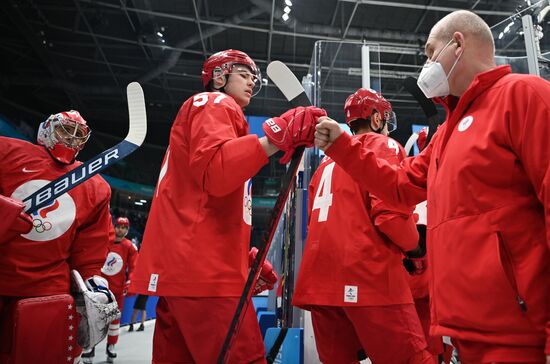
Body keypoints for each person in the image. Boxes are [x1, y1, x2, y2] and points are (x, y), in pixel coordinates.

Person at [314, 10, 549, 364]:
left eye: (429, 52)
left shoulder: (526, 95)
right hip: (464, 327)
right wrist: (342, 146)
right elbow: (398, 186)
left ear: (458, 44)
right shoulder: (445, 135)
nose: (426, 64)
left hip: (519, 331)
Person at [129, 49, 326, 363]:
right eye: (244, 75)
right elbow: (217, 173)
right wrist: (279, 136)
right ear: (219, 76)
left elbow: (206, 194)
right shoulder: (214, 102)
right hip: (205, 275)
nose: (251, 82)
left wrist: (238, 259)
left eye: (254, 79)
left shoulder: (210, 114)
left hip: (188, 271)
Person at [292, 88, 431, 364]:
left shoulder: (325, 163)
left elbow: (312, 220)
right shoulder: (385, 146)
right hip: (368, 276)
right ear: (377, 119)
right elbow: (390, 214)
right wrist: (416, 248)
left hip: (320, 283)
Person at [0, 110, 116, 363]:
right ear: (47, 129)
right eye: (65, 130)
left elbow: (90, 245)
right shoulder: (6, 150)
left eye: (79, 135)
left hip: (45, 288)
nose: (71, 138)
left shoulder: (96, 186)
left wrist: (92, 279)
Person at [81, 216, 138, 363]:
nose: (121, 229)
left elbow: (134, 267)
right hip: (99, 289)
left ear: (128, 230)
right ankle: (89, 348)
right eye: (119, 226)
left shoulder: (130, 247)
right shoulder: (104, 241)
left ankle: (111, 346)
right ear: (114, 226)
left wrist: (131, 281)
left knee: (114, 321)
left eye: (125, 227)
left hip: (117, 291)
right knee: (93, 319)